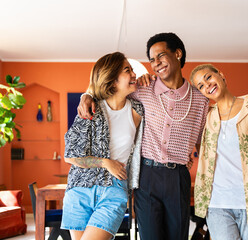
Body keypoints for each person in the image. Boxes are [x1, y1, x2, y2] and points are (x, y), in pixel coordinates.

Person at [77, 33, 209, 240]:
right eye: (152, 59)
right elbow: (109, 87)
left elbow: (203, 145)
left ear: (178, 53)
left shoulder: (200, 100)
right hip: (146, 176)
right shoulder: (142, 88)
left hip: (179, 176)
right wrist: (87, 95)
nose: (156, 63)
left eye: (161, 56)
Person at [61, 52, 144, 240]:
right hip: (80, 189)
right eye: (127, 70)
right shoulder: (91, 108)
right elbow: (70, 156)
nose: (134, 74)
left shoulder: (137, 110)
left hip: (114, 189)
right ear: (113, 80)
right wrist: (105, 162)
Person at [190, 64, 248, 240]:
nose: (207, 85)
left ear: (221, 75)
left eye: (208, 77)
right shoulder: (206, 118)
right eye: (200, 85)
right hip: (217, 205)